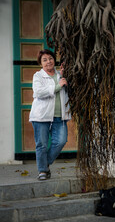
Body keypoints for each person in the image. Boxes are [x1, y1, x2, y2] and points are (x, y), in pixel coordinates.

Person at [29, 49, 71, 180]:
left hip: (60, 115)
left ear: (54, 60)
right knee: (41, 144)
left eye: (50, 58)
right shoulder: (38, 76)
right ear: (40, 63)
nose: (48, 62)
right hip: (41, 116)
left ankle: (45, 163)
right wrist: (58, 86)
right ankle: (42, 171)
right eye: (45, 60)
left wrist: (64, 76)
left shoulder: (60, 75)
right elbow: (39, 92)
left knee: (61, 141)